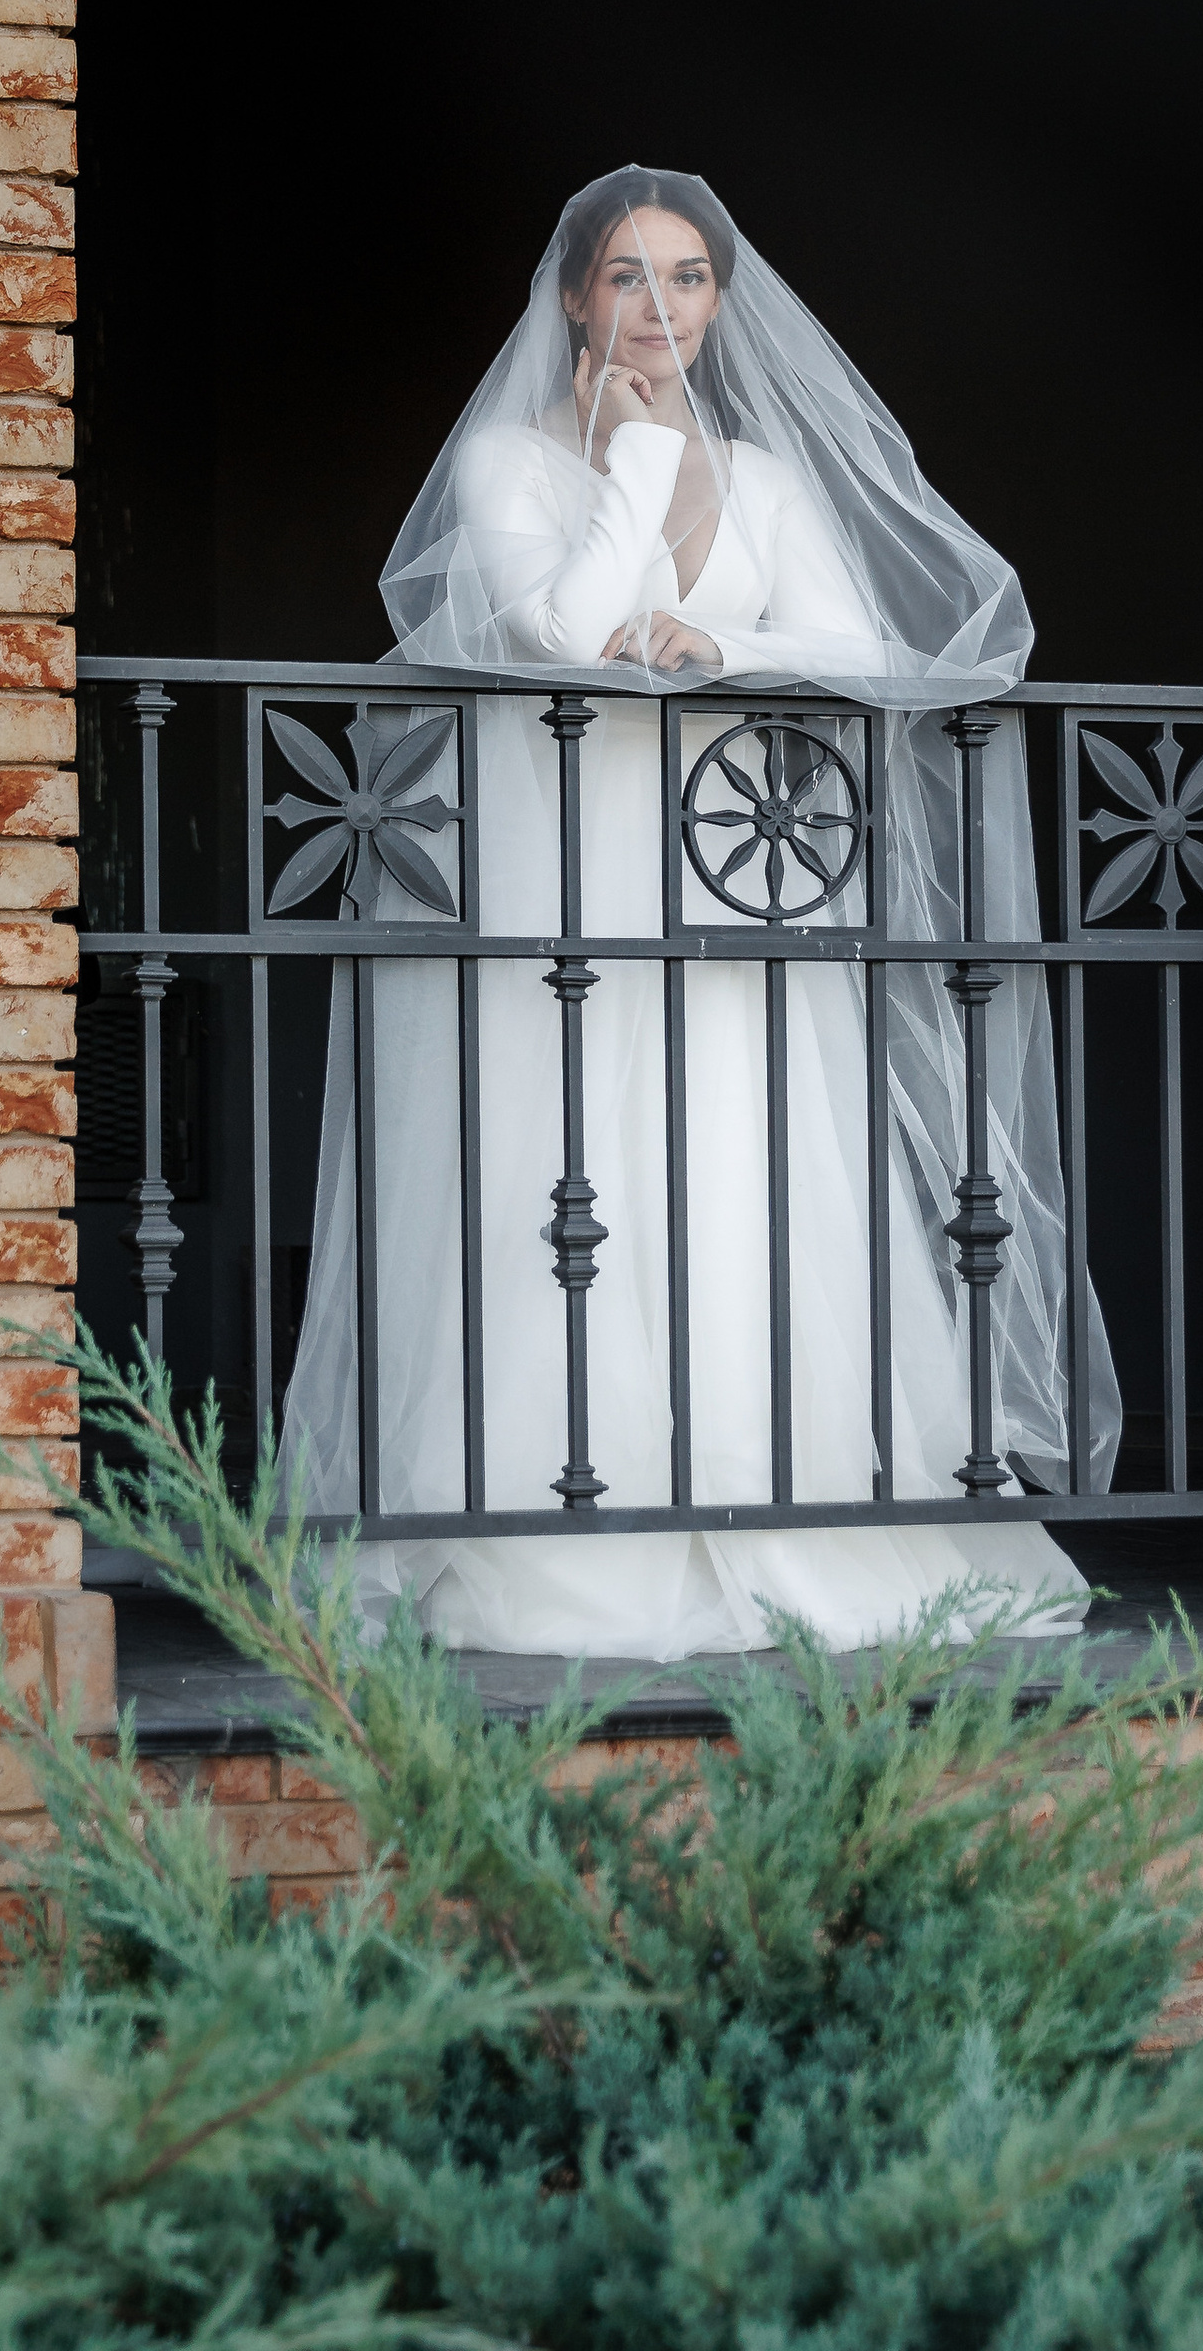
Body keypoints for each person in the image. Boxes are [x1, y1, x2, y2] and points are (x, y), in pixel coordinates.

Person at [279, 167, 1118, 1660]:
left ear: (720, 305)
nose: (656, 308)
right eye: (625, 277)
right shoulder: (508, 463)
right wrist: (642, 465)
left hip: (734, 874)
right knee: (564, 1160)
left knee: (746, 1153)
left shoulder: (774, 480)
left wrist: (713, 636)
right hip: (563, 864)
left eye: (685, 280)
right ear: (572, 301)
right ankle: (555, 1519)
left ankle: (780, 1494)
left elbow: (861, 643)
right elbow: (559, 630)